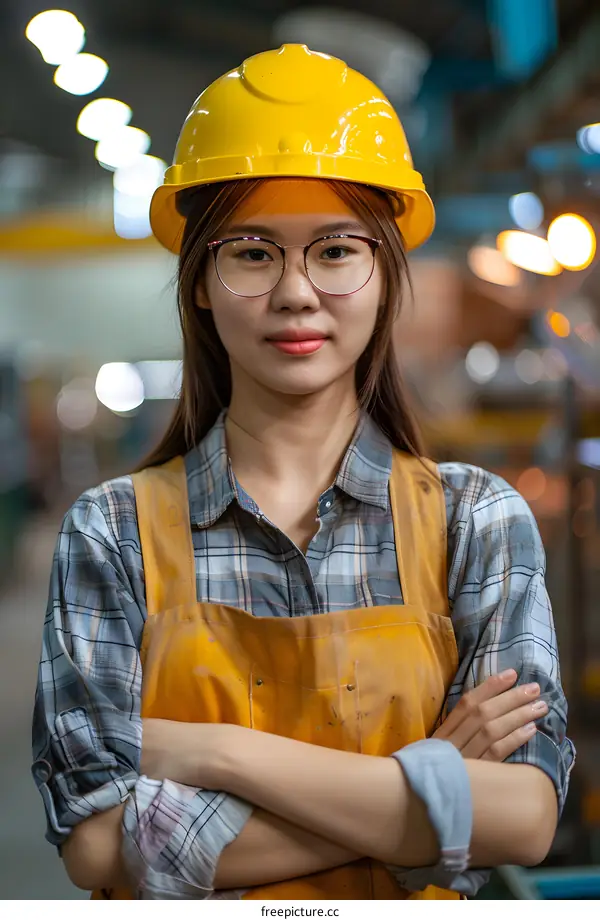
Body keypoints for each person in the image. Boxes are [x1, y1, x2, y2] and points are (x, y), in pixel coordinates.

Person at [32, 44, 574, 901]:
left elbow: (526, 818)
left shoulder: (476, 520)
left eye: (335, 251)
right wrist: (428, 795)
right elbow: (97, 844)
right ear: (202, 281)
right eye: (252, 253)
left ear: (386, 275)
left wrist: (213, 753)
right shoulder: (113, 531)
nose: (295, 292)